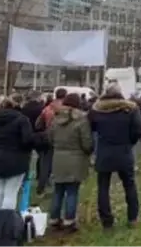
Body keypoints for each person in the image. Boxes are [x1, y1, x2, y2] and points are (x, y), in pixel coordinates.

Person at [88, 83, 141, 229]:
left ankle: (106, 220)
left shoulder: (96, 109)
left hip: (104, 151)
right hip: (124, 150)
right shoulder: (131, 108)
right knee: (129, 185)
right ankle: (133, 217)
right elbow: (138, 131)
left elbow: (91, 128)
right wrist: (129, 142)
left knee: (103, 187)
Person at [0, 94, 42, 221]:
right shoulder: (22, 120)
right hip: (16, 158)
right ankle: (6, 223)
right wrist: (39, 138)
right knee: (10, 192)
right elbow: (27, 140)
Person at [48, 93, 94, 233]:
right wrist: (89, 150)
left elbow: (50, 137)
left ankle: (54, 219)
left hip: (58, 157)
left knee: (58, 191)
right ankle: (69, 221)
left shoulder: (55, 117)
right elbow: (86, 141)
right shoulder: (81, 119)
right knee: (72, 191)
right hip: (76, 158)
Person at [35, 88, 67, 196]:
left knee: (46, 164)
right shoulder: (65, 109)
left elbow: (38, 124)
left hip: (47, 137)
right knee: (60, 165)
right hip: (61, 138)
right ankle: (58, 188)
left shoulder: (47, 108)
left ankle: (41, 186)